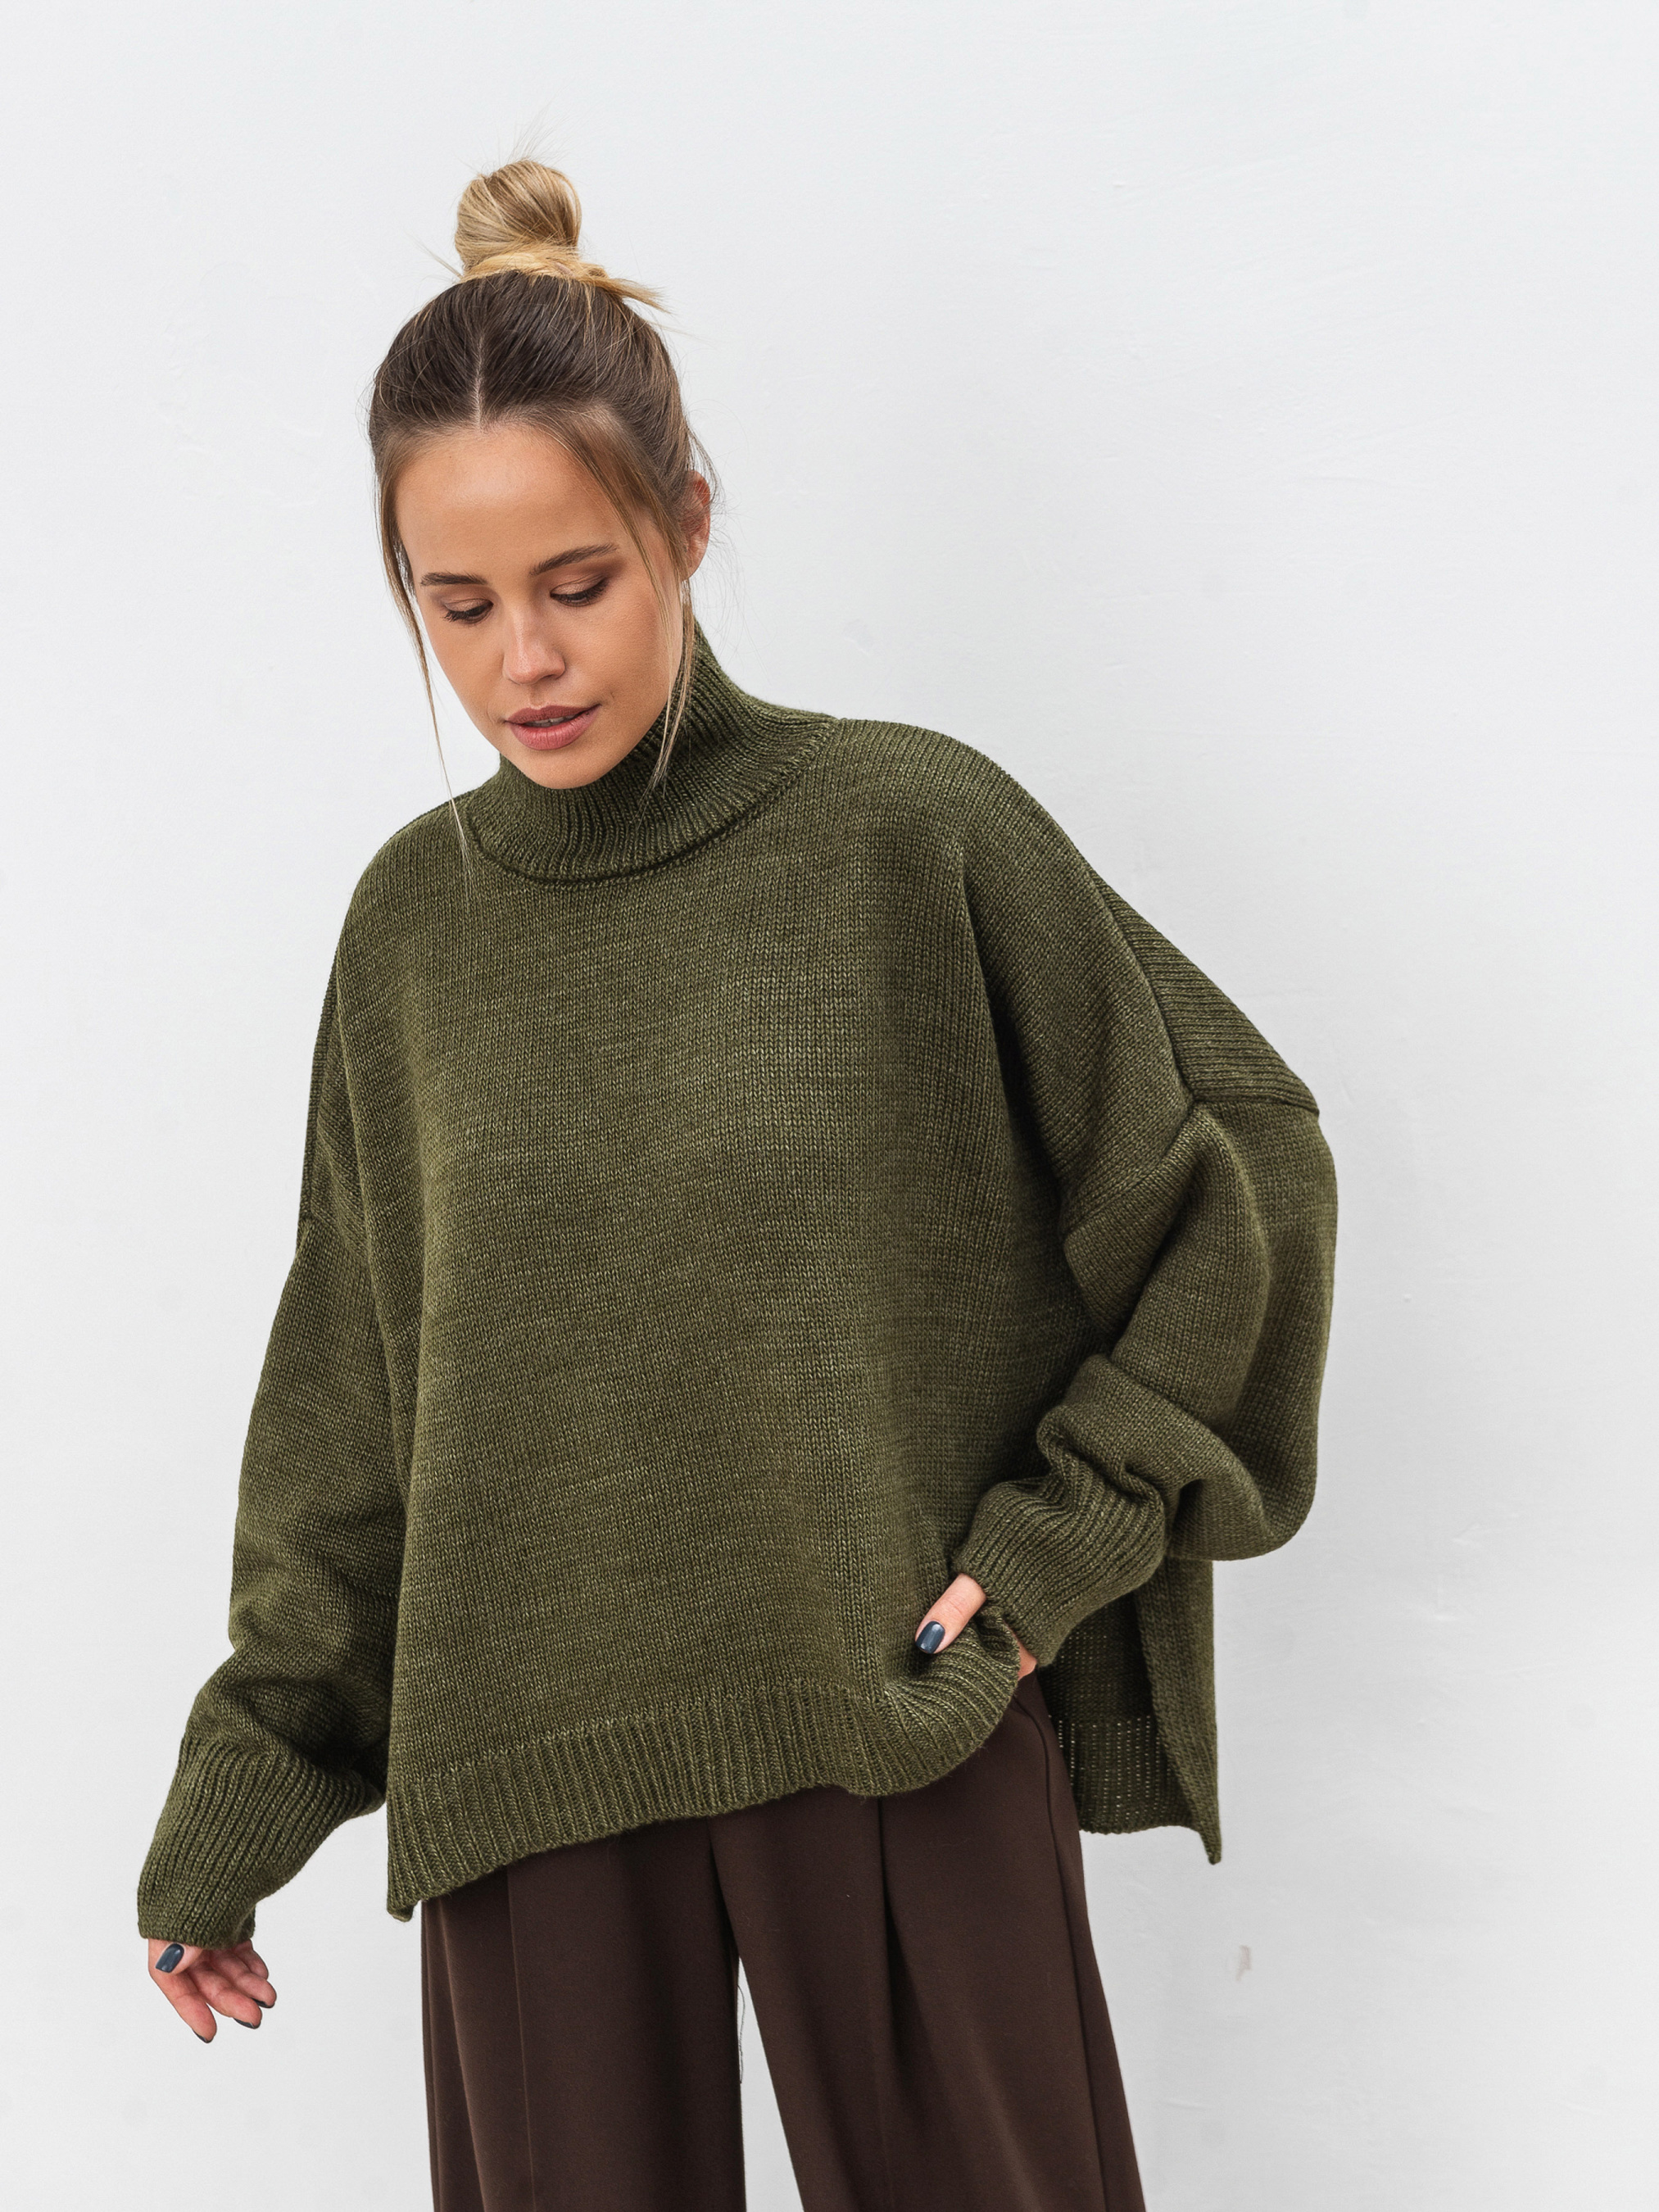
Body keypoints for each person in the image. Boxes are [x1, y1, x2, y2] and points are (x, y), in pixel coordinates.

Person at [138, 159, 1338, 2212]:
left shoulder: (905, 835)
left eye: (577, 581)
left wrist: (1051, 1550)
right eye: (458, 605)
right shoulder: (413, 930)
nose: (524, 658)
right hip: (528, 1758)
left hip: (898, 1703)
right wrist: (238, 1794)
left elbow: (1240, 1159)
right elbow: (353, 1398)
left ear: (686, 524)